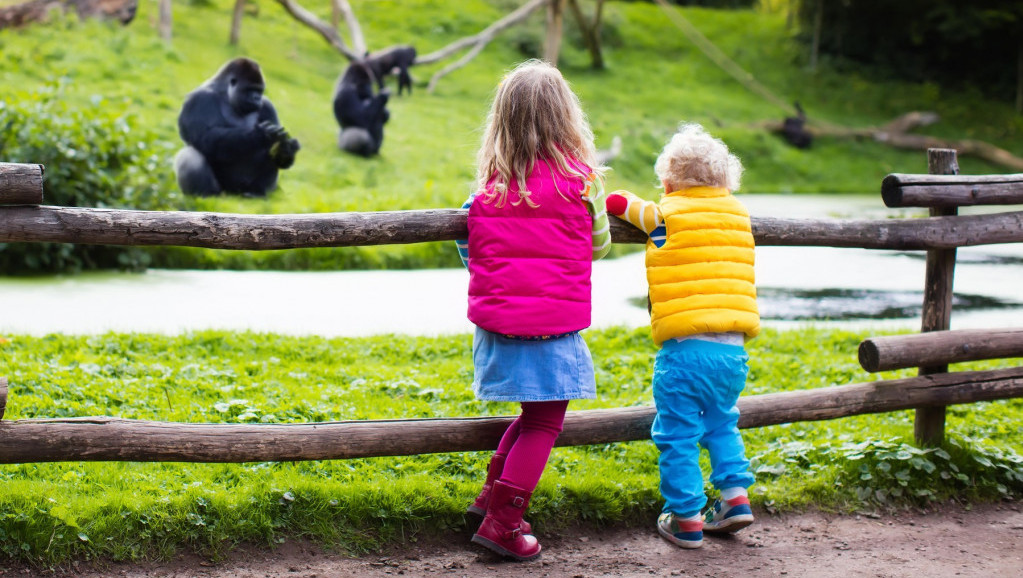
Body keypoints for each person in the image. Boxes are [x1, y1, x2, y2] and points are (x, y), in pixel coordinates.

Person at [454, 59, 611, 562]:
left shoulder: (483, 192)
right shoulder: (583, 186)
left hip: (500, 328)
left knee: (533, 414)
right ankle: (504, 523)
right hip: (552, 327)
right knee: (544, 422)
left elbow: (469, 251)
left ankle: (489, 501)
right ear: (567, 119)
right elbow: (599, 247)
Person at [605, 123, 759, 549]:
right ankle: (735, 499)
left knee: (677, 434)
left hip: (684, 353)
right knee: (722, 422)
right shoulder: (739, 215)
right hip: (733, 352)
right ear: (726, 180)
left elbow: (616, 201)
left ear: (669, 183)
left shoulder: (663, 216)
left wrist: (645, 199)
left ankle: (686, 517)